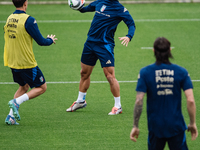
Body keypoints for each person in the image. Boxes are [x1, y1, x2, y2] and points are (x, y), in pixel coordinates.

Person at [66, 0, 136, 115]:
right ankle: (80, 100)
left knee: (109, 76)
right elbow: (85, 9)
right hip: (90, 43)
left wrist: (129, 36)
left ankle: (118, 106)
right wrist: (76, 5)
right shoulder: (99, 2)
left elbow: (131, 24)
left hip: (105, 46)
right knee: (84, 73)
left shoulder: (120, 9)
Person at [130, 37, 198, 149]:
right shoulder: (181, 72)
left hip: (155, 126)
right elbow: (190, 100)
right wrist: (192, 123)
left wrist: (135, 126)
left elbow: (139, 101)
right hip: (176, 126)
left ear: (153, 51)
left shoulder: (145, 72)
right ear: (170, 50)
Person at [4, 0, 57, 125]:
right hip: (26, 62)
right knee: (42, 87)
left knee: (24, 87)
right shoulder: (29, 20)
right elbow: (41, 41)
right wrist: (50, 40)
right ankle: (17, 102)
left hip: (12, 61)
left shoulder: (9, 18)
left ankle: (10, 117)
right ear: (25, 3)